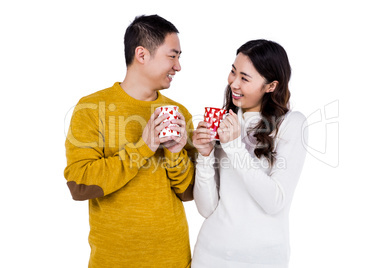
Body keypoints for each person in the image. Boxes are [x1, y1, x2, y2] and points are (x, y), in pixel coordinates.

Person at [64, 15, 195, 268]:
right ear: (142, 55)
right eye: (173, 56)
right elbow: (79, 185)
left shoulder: (179, 113)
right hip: (113, 261)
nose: (178, 66)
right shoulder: (91, 108)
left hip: (173, 258)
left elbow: (188, 192)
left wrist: (176, 153)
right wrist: (142, 147)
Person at [191, 39, 308, 267]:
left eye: (244, 78)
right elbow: (207, 209)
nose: (233, 83)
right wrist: (204, 156)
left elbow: (274, 202)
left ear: (271, 86)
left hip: (262, 260)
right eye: (233, 72)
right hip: (210, 255)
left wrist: (234, 147)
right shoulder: (227, 122)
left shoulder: (292, 124)